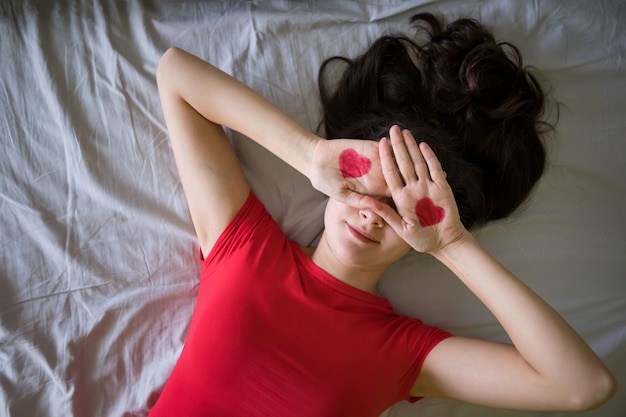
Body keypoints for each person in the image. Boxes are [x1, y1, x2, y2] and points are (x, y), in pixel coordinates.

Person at [149, 13, 616, 417]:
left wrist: (451, 245)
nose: (373, 215)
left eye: (399, 210)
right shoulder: (247, 250)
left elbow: (583, 387)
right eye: (372, 189)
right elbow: (176, 74)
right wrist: (310, 155)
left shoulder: (401, 353)